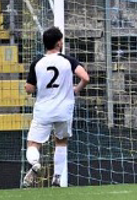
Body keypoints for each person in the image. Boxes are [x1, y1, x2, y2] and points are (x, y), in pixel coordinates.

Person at [23, 26, 90, 188]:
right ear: (59, 43)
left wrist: (40, 86)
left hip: (43, 110)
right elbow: (86, 77)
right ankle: (57, 178)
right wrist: (76, 90)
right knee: (61, 142)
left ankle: (35, 163)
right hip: (64, 109)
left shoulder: (37, 63)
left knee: (33, 143)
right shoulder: (68, 61)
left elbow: (29, 88)